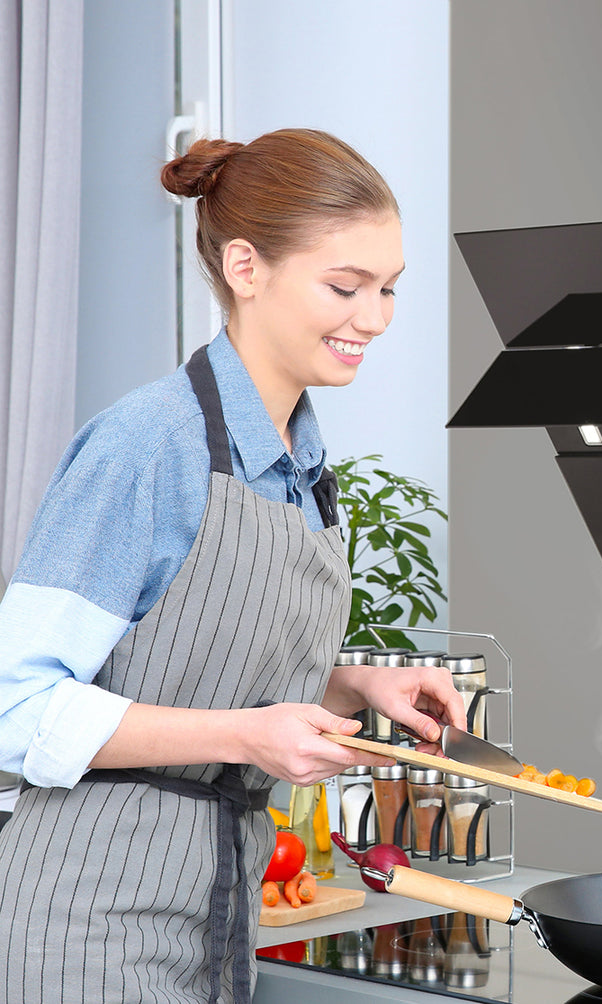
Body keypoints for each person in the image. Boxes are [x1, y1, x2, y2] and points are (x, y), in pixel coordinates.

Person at [0, 128, 466, 1004]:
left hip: (214, 920)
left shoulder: (301, 469)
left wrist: (351, 686)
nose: (374, 318)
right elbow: (15, 706)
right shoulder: (148, 447)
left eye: (390, 289)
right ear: (246, 269)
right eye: (345, 286)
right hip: (85, 925)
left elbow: (191, 667)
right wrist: (247, 738)